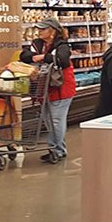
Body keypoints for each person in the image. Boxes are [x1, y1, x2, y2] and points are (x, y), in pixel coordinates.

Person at [21, 17, 76, 164]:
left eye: (42, 29)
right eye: (38, 29)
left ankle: (57, 150)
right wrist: (42, 57)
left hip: (61, 88)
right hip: (44, 88)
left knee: (56, 120)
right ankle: (58, 149)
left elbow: (63, 59)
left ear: (52, 31)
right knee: (49, 120)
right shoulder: (37, 44)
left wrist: (43, 57)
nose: (39, 32)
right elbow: (24, 56)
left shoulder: (62, 45)